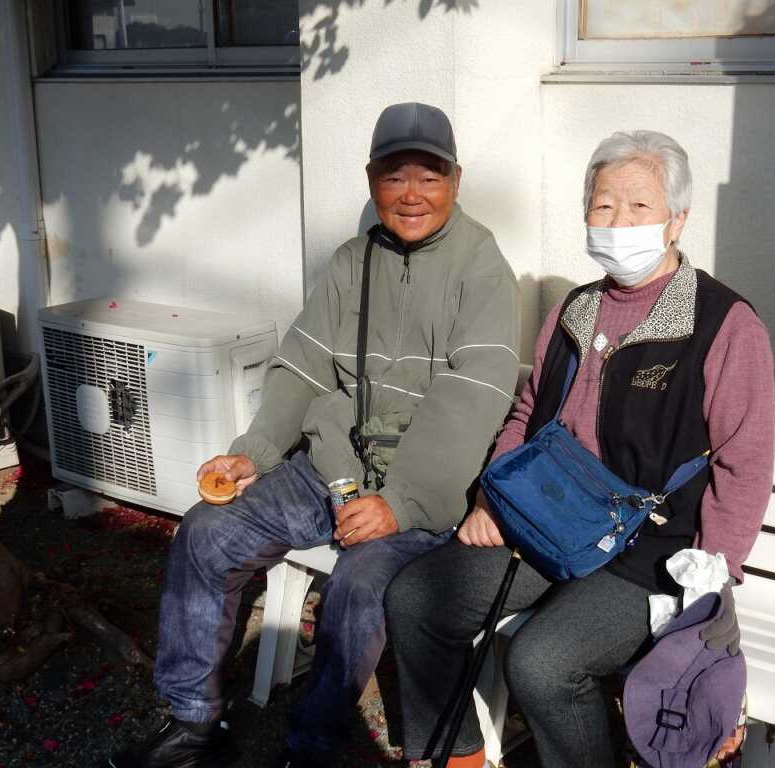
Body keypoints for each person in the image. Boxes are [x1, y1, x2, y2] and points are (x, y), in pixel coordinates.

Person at [109, 102, 520, 768]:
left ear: (456, 180)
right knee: (206, 533)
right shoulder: (353, 261)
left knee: (358, 587)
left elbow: (469, 401)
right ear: (371, 179)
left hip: (421, 490)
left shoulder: (481, 269)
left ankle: (314, 745)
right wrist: (254, 453)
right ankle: (192, 724)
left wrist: (401, 503)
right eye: (395, 175)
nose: (412, 194)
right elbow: (302, 365)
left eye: (430, 176)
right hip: (334, 465)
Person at [385, 130, 775, 768]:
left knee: (542, 664)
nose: (618, 222)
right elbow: (526, 412)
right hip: (554, 519)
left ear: (677, 220)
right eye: (603, 206)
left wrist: (710, 582)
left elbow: (745, 461)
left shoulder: (724, 324)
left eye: (640, 206)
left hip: (650, 548)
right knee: (415, 600)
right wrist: (493, 499)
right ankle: (455, 756)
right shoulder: (574, 310)